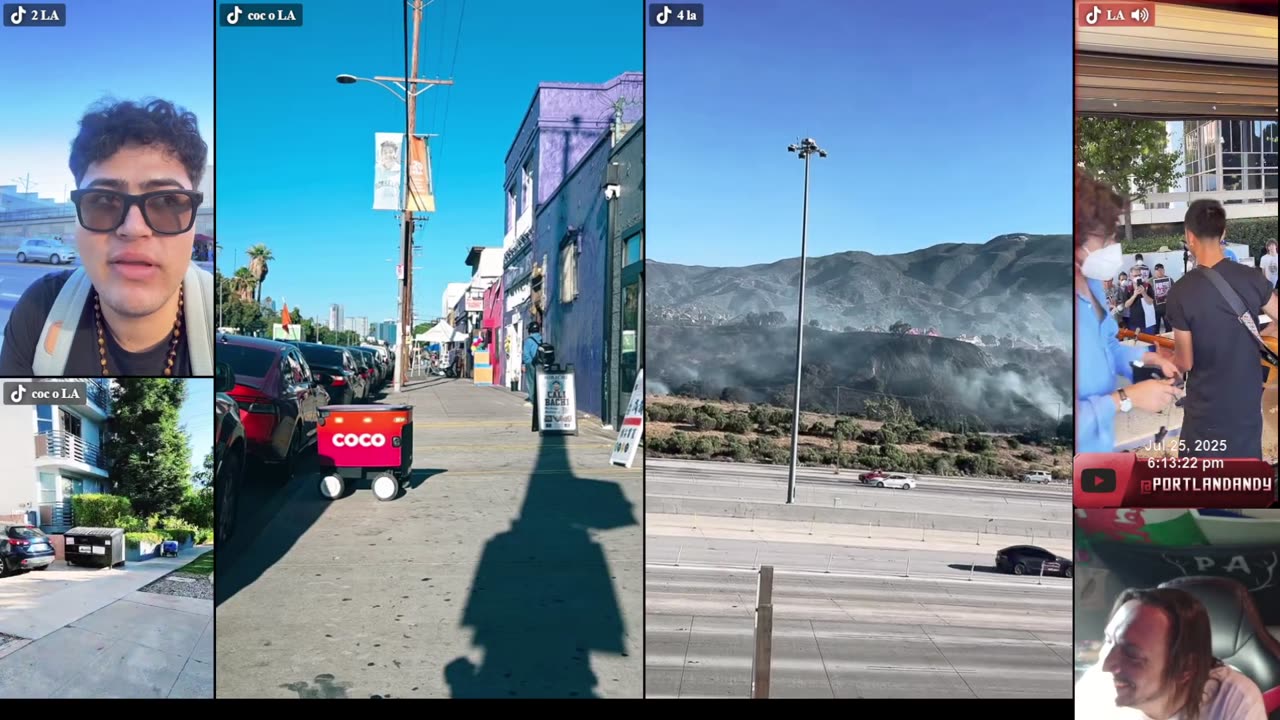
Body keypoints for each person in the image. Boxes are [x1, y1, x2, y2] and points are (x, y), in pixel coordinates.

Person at [0, 98, 213, 376]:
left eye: (167, 201)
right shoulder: (40, 308)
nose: (134, 228)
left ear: (194, 220)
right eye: (102, 200)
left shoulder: (213, 318)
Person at [1075, 168, 1182, 454]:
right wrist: (1126, 398)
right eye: (1106, 238)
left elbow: (1109, 346)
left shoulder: (1093, 285)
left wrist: (1148, 359)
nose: (1114, 247)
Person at [1165, 199, 1279, 460]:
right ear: (1224, 233)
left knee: (1204, 487)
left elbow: (1184, 361)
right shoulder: (1253, 278)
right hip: (1246, 407)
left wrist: (1166, 361)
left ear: (1189, 236)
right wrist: (1263, 337)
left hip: (1205, 412)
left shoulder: (1180, 292)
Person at [1074, 587, 1266, 720]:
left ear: (1185, 667)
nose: (1106, 665)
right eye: (1109, 641)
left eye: (1132, 654)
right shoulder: (1093, 689)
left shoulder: (1233, 699)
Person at [522, 321, 544, 407]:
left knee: (531, 382)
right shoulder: (541, 338)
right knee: (539, 381)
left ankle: (532, 400)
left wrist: (524, 364)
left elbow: (526, 354)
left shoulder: (528, 340)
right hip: (540, 362)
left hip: (531, 363)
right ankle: (539, 398)